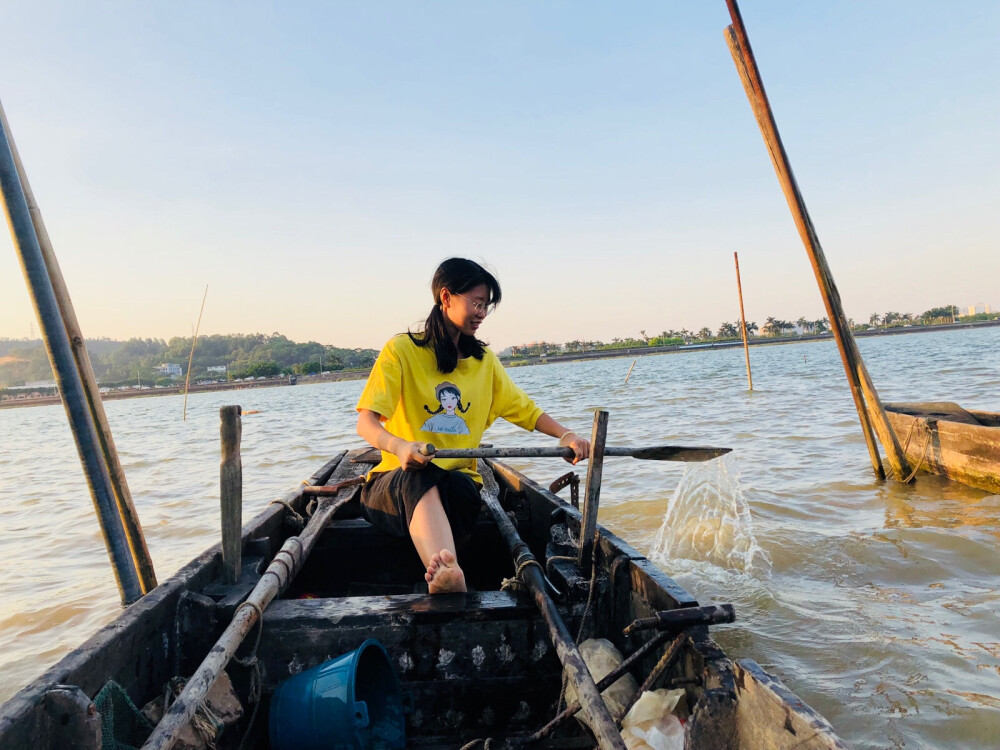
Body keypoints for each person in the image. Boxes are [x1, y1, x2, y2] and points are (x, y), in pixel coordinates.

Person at [356, 258, 590, 594]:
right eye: (476, 303)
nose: (481, 313)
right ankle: (446, 571)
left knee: (463, 487)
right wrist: (400, 446)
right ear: (446, 297)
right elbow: (366, 423)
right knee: (420, 473)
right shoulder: (401, 351)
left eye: (486, 306)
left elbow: (523, 408)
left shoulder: (484, 362)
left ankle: (446, 567)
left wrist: (566, 435)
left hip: (457, 487)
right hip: (392, 485)